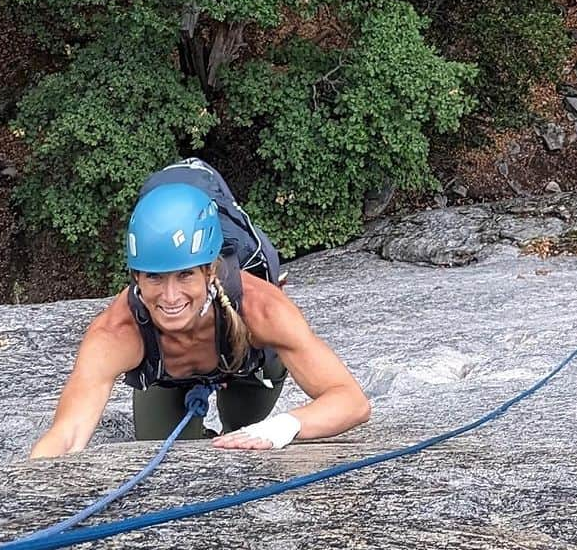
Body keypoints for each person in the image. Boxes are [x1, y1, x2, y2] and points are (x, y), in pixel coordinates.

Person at [30, 172, 370, 458]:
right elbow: (68, 432)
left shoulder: (260, 308)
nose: (170, 296)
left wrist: (281, 427)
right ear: (136, 277)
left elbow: (350, 401)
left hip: (248, 368)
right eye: (154, 277)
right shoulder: (117, 331)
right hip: (168, 378)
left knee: (243, 439)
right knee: (163, 458)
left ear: (210, 270)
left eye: (185, 275)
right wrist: (25, 494)